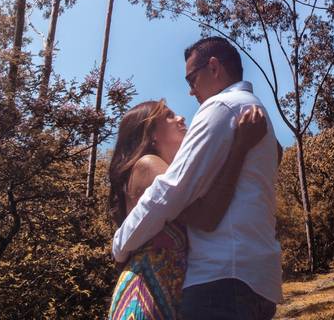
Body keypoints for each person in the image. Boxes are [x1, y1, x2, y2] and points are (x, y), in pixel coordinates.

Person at [112, 36, 282, 320]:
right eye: (168, 117)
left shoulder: (220, 108)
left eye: (192, 79)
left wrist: (119, 244)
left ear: (213, 68)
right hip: (251, 278)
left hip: (221, 279)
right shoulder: (250, 109)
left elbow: (170, 193)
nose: (190, 93)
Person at [106, 98, 267, 320]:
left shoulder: (175, 175)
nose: (181, 118)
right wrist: (240, 147)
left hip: (166, 294)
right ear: (150, 134)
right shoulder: (148, 165)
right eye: (169, 116)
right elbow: (206, 217)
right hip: (147, 294)